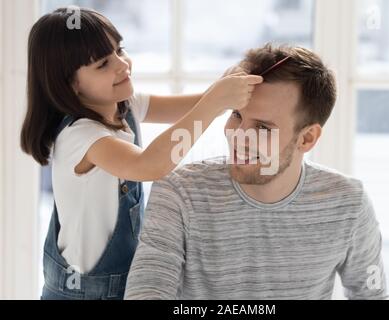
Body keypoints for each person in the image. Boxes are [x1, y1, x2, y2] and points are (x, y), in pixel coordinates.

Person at [20, 7, 262, 300]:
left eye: (119, 50)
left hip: (125, 284)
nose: (122, 65)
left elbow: (194, 107)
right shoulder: (80, 136)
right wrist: (214, 102)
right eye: (103, 64)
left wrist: (224, 89)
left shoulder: (126, 104)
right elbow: (150, 165)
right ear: (70, 84)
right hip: (80, 293)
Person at [125, 44, 389, 300]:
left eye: (262, 128)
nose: (238, 136)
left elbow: (372, 295)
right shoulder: (178, 192)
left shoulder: (349, 202)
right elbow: (146, 292)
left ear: (307, 138)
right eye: (237, 116)